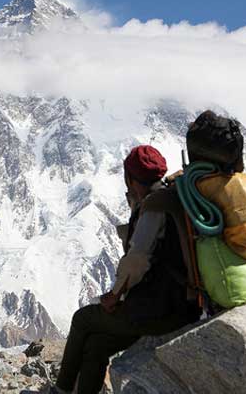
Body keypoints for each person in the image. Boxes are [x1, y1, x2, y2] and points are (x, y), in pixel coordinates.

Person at [54, 145, 201, 394]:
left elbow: (137, 260)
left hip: (159, 310)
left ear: (131, 179)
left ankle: (60, 391)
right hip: (182, 306)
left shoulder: (154, 207)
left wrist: (114, 295)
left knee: (83, 320)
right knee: (97, 344)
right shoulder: (173, 197)